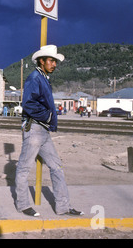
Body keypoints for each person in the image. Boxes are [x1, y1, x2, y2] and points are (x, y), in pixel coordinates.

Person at [15, 45, 84, 217]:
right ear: (41, 60)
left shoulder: (43, 78)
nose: (54, 64)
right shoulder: (35, 78)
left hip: (43, 131)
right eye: (51, 60)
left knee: (57, 167)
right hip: (35, 129)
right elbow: (28, 104)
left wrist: (48, 121)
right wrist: (48, 116)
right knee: (24, 168)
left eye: (55, 61)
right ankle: (23, 205)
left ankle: (63, 207)